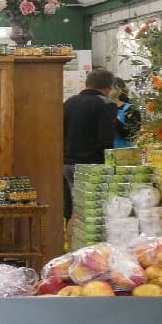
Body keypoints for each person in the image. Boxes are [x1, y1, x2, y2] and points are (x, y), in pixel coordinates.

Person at [63, 69, 117, 221]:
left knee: (74, 208)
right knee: (93, 211)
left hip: (67, 163)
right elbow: (106, 140)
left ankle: (72, 240)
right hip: (92, 165)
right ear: (108, 88)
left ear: (86, 84)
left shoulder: (69, 102)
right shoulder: (106, 105)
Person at [111, 78, 141, 148]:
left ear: (119, 90)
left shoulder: (131, 110)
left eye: (110, 88)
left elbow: (131, 136)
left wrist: (115, 119)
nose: (106, 91)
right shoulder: (103, 108)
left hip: (124, 153)